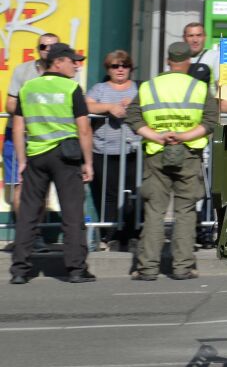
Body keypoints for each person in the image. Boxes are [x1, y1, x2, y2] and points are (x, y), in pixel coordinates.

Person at [127, 42, 223, 282]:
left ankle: (148, 268)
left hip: (157, 153)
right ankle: (183, 267)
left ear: (168, 61)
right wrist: (184, 136)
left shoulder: (149, 87)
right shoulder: (199, 88)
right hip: (188, 154)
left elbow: (133, 116)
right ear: (188, 62)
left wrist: (157, 136)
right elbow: (211, 120)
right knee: (185, 212)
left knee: (154, 211)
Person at [10, 43, 95, 284]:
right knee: (72, 212)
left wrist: (22, 160)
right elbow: (84, 129)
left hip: (36, 155)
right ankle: (76, 269)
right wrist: (88, 162)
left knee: (28, 214)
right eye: (72, 61)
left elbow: (18, 126)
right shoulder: (71, 88)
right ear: (58, 62)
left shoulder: (28, 88)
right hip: (66, 157)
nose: (76, 66)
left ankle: (19, 270)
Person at [86, 50, 141, 250]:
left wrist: (134, 104)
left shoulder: (138, 89)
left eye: (124, 65)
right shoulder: (99, 89)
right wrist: (109, 106)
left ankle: (132, 235)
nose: (119, 70)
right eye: (114, 66)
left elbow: (152, 106)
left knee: (133, 194)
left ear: (130, 68)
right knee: (108, 194)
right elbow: (86, 105)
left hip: (133, 151)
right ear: (107, 69)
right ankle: (108, 236)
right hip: (104, 151)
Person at [5, 31, 59, 217]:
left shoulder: (66, 73)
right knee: (20, 185)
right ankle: (26, 234)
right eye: (43, 46)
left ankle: (35, 236)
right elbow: (10, 103)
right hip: (20, 135)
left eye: (53, 46)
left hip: (47, 138)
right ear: (38, 50)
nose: (48, 50)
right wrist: (33, 114)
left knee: (40, 187)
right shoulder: (23, 70)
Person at [182, 22, 213, 86]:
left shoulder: (216, 57)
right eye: (191, 36)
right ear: (184, 38)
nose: (195, 40)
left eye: (199, 35)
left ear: (205, 37)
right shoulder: (177, 59)